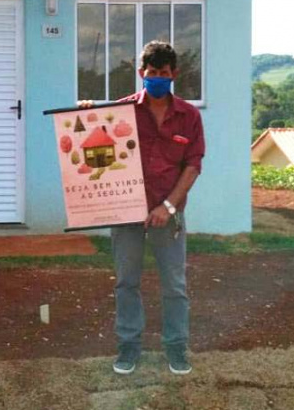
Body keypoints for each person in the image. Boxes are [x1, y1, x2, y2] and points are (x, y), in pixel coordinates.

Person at [80, 41, 205, 375]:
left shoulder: (188, 116)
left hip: (169, 212)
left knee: (174, 285)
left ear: (174, 75)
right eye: (152, 74)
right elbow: (90, 139)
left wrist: (167, 206)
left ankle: (177, 348)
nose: (158, 79)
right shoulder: (120, 113)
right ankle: (128, 348)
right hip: (126, 212)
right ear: (141, 74)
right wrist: (84, 113)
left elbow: (193, 165)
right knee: (126, 282)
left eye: (164, 74)